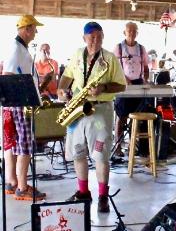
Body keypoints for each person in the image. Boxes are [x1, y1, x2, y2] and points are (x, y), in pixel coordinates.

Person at [57, 22, 126, 212]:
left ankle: (103, 196)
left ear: (103, 37)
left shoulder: (110, 58)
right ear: (84, 38)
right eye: (91, 37)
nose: (94, 40)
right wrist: (62, 90)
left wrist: (103, 88)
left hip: (100, 110)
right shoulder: (78, 54)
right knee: (78, 152)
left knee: (100, 155)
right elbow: (66, 76)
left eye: (98, 36)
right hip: (78, 109)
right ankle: (83, 192)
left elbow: (122, 86)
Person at [2, 15, 47, 200]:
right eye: (35, 29)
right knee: (25, 144)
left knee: (13, 143)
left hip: (15, 104)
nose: (36, 32)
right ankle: (22, 187)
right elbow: (8, 75)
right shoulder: (17, 49)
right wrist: (24, 99)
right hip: (20, 103)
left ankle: (12, 182)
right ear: (27, 29)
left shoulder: (18, 47)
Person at [113, 22, 150, 157]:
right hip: (123, 85)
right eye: (129, 31)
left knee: (138, 117)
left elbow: (146, 67)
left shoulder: (141, 49)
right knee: (121, 117)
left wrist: (145, 79)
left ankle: (135, 147)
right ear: (124, 32)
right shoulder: (118, 48)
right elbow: (115, 68)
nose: (132, 33)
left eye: (134, 31)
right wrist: (125, 79)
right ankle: (117, 147)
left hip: (138, 84)